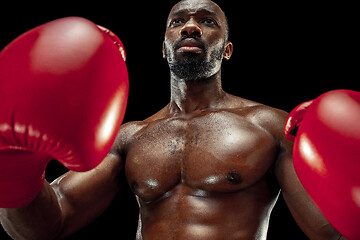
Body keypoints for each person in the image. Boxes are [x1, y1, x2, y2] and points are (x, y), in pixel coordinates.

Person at [0, 0, 347, 239]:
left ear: (227, 49)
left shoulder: (270, 126)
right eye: (177, 22)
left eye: (207, 21)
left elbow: (325, 230)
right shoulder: (131, 137)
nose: (190, 27)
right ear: (163, 46)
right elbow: (48, 225)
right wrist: (13, 165)